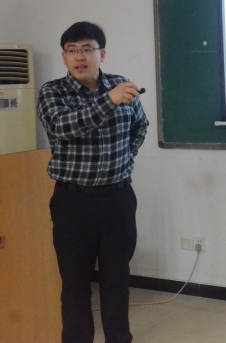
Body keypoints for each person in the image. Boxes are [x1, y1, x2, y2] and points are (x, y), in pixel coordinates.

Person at [37, 21, 148, 343]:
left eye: (87, 49)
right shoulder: (53, 92)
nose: (79, 57)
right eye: (71, 51)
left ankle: (119, 338)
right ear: (63, 57)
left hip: (117, 198)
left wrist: (124, 158)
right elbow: (64, 127)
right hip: (73, 201)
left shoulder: (121, 85)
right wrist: (109, 101)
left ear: (102, 54)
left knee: (117, 279)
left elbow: (140, 126)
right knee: (74, 283)